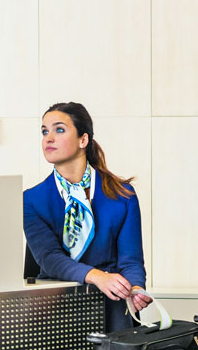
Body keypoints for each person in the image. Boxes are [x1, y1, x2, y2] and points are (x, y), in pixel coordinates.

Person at [22, 101, 150, 332]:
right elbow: (50, 259)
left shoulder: (123, 195)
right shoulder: (32, 199)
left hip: (111, 304)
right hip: (56, 306)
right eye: (44, 131)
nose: (48, 138)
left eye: (59, 129)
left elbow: (130, 261)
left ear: (83, 140)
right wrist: (98, 276)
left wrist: (136, 289)